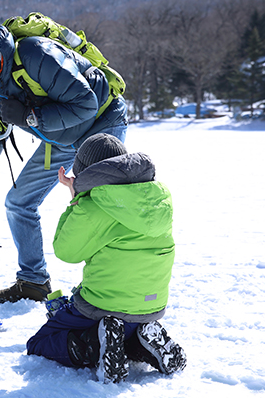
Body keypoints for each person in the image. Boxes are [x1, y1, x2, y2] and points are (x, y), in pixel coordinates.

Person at [0, 25, 128, 302]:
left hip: (101, 122)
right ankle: (33, 282)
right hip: (59, 138)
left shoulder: (34, 55)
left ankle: (115, 290)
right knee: (18, 202)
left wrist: (30, 116)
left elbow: (86, 102)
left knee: (105, 204)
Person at [26, 133, 186, 383]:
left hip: (102, 305)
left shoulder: (94, 205)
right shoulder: (157, 198)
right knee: (124, 328)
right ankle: (143, 343)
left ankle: (93, 345)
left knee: (40, 343)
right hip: (150, 307)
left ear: (85, 172)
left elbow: (66, 251)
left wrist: (77, 198)